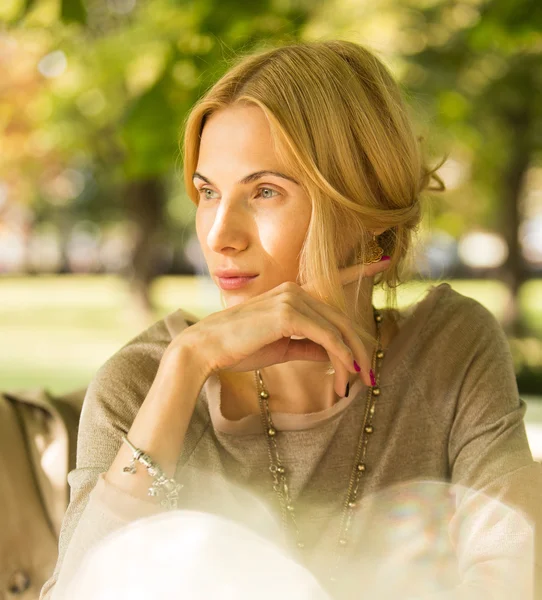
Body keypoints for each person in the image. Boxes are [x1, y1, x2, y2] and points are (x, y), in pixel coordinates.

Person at [40, 39, 542, 600]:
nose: (218, 236)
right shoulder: (141, 383)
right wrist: (186, 367)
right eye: (208, 193)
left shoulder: (452, 349)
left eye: (264, 192)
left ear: (364, 211)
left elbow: (515, 570)